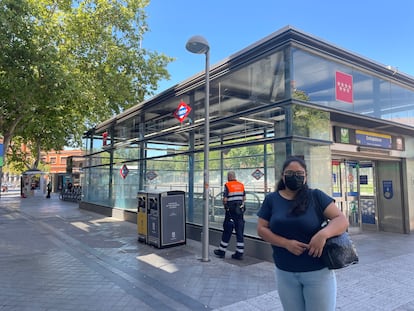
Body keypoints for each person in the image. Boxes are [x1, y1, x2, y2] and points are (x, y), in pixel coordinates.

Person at [257, 156, 349, 311]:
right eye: (290, 173)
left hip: (317, 273)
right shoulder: (271, 199)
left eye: (299, 173)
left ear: (305, 177)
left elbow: (341, 220)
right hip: (284, 272)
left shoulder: (316, 196)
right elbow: (261, 229)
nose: (295, 177)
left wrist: (323, 234)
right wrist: (285, 243)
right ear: (283, 176)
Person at [214, 171, 246, 260]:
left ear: (229, 177)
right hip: (239, 211)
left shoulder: (227, 185)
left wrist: (225, 206)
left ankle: (222, 251)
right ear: (235, 177)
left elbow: (225, 199)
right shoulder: (241, 185)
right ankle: (239, 253)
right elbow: (244, 198)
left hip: (230, 211)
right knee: (240, 231)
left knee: (227, 230)